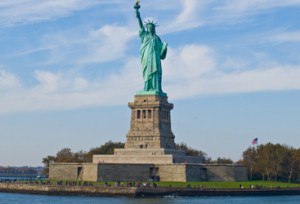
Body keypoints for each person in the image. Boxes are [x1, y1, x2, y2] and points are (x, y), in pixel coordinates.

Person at [135, 5, 168, 95]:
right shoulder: (144, 35)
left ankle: (157, 88)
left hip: (155, 58)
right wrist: (137, 12)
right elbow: (140, 24)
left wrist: (164, 47)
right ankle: (147, 87)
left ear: (154, 29)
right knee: (147, 72)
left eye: (151, 27)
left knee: (156, 71)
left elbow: (162, 54)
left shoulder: (157, 38)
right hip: (146, 57)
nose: (150, 28)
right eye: (148, 27)